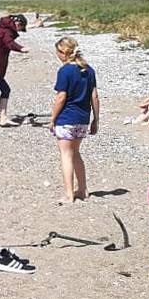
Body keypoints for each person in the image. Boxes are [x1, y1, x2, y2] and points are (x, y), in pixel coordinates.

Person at [48, 37, 99, 204]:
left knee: (66, 155)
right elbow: (95, 96)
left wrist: (52, 118)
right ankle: (83, 189)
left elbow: (61, 97)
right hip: (83, 118)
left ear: (63, 53)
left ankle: (69, 194)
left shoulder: (65, 71)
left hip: (67, 117)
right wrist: (96, 119)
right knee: (76, 153)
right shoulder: (88, 70)